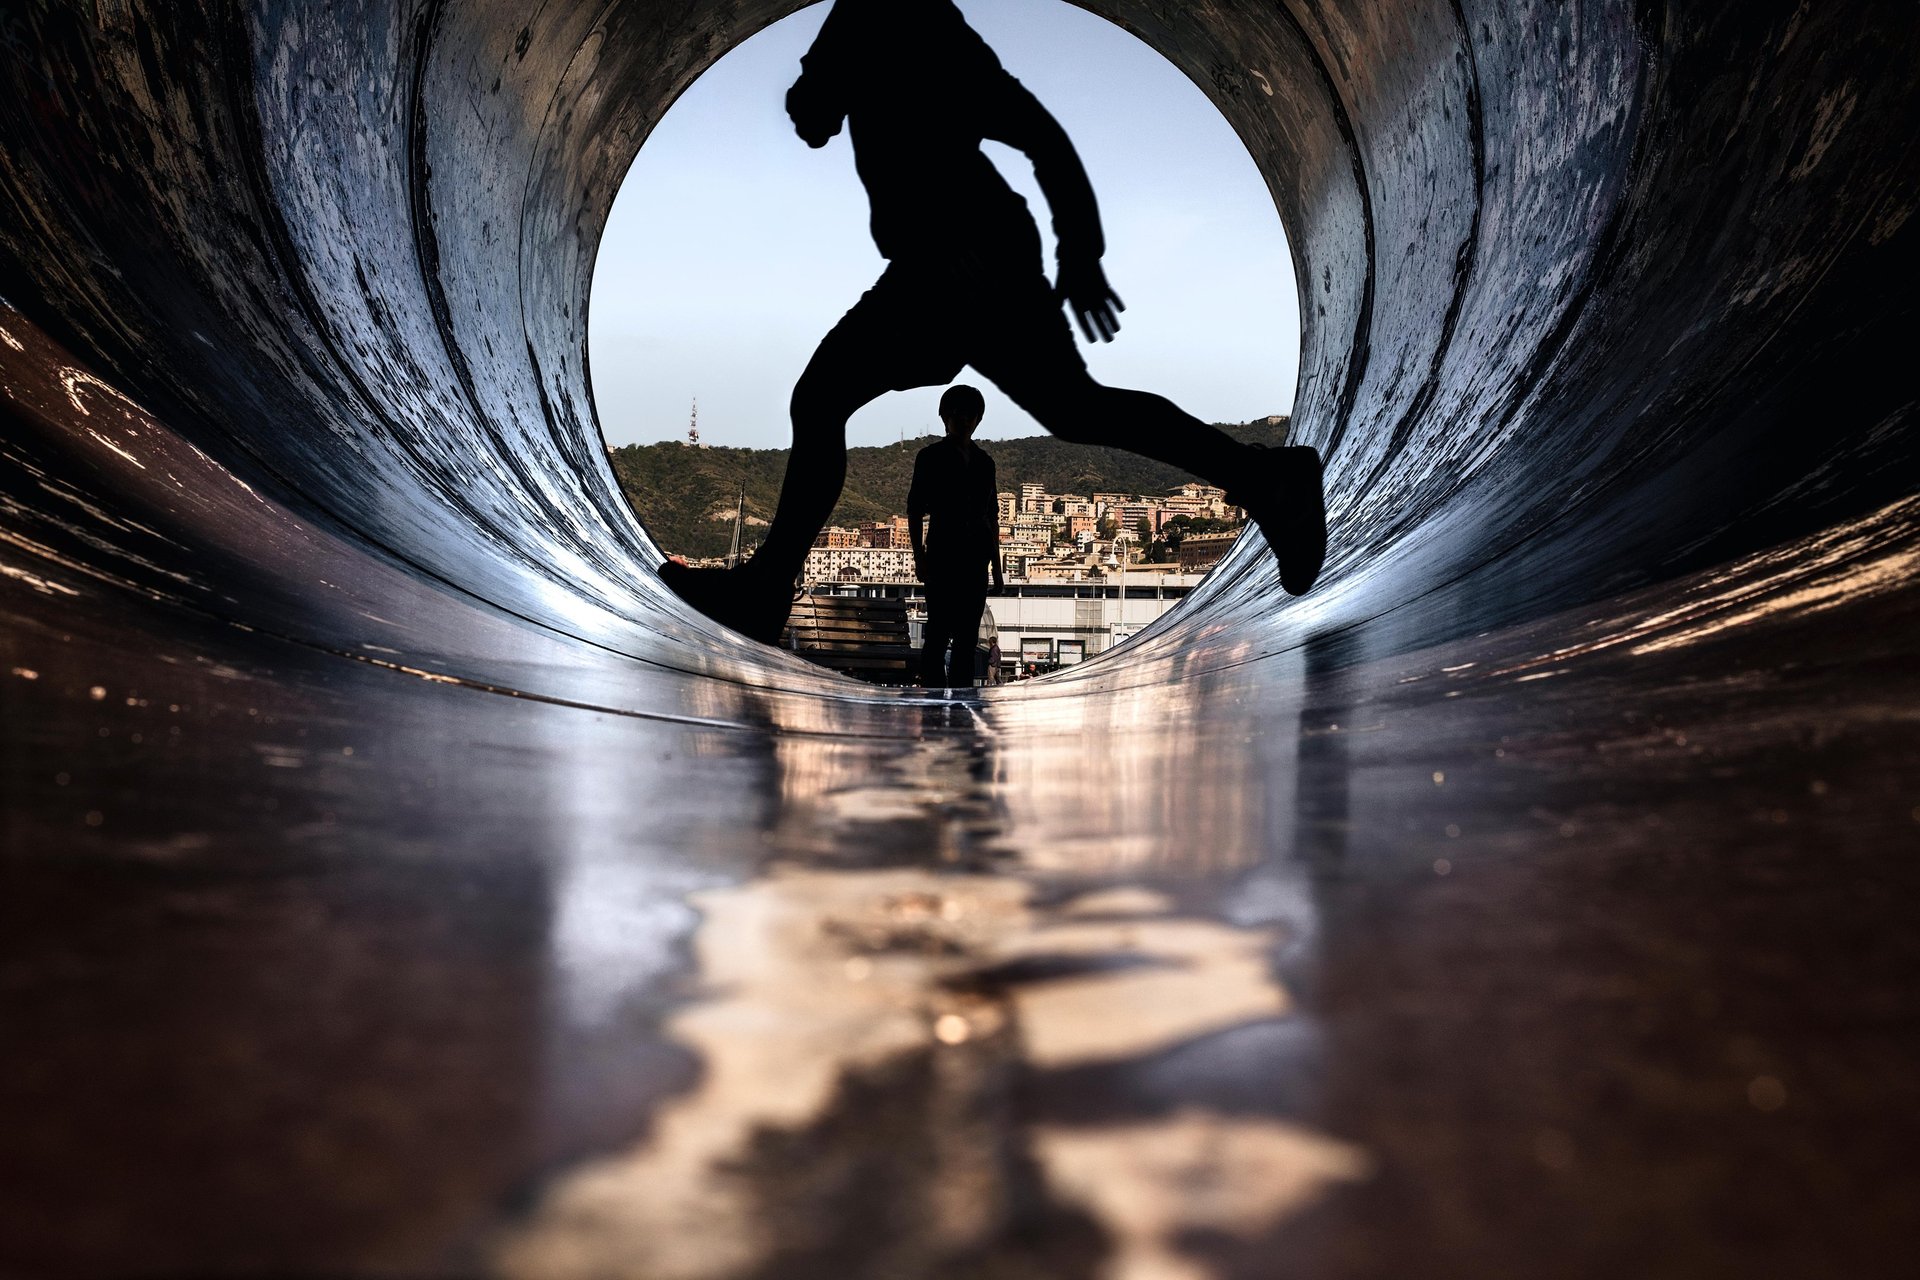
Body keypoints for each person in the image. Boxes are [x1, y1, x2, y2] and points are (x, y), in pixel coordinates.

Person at [660, 0, 1326, 644]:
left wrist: (1081, 253)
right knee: (1075, 408)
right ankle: (1268, 479)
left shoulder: (928, 33)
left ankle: (766, 588)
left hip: (965, 255)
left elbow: (1041, 137)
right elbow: (815, 112)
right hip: (956, 255)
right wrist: (824, 87)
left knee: (824, 394)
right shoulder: (867, 18)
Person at [910, 385, 1003, 688]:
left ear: (978, 419)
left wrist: (997, 570)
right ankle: (932, 702)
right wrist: (920, 559)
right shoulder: (929, 458)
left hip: (976, 560)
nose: (963, 420)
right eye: (957, 413)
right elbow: (914, 511)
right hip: (941, 555)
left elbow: (992, 518)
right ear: (944, 417)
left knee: (966, 638)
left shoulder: (985, 463)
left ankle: (961, 704)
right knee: (937, 636)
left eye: (970, 415)